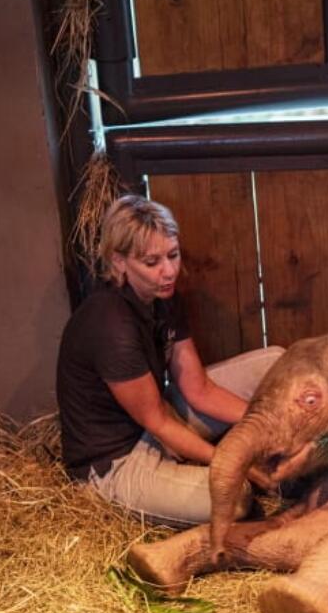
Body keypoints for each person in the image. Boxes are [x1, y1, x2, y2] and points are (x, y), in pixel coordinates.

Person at [56, 194, 282, 524]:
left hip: (158, 420)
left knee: (276, 362)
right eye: (152, 263)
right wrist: (231, 462)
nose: (169, 271)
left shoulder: (163, 297)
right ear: (118, 262)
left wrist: (272, 425)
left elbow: (198, 390)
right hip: (118, 461)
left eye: (173, 255)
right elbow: (157, 421)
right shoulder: (110, 324)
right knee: (234, 498)